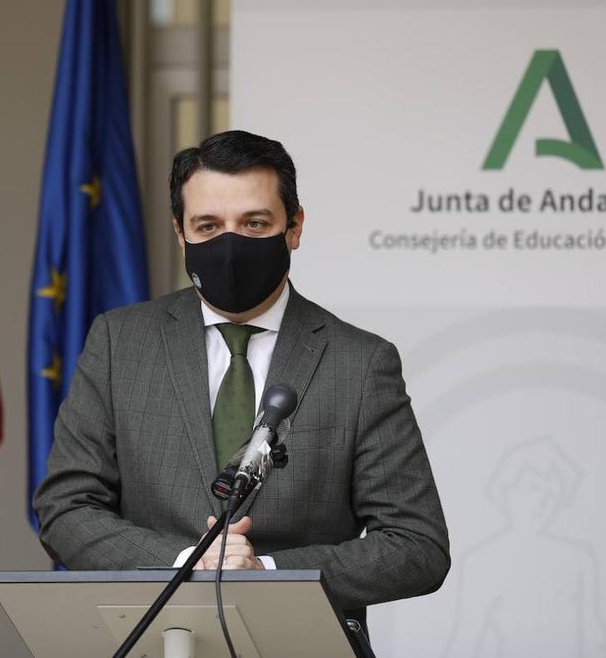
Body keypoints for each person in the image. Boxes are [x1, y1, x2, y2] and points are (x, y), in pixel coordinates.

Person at [33, 130, 449, 628]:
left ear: (294, 227)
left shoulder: (360, 362)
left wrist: (268, 573)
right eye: (207, 226)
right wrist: (187, 562)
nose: (229, 244)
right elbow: (65, 507)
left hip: (298, 657)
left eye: (254, 223)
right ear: (180, 233)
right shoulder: (119, 342)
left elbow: (416, 545)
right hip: (144, 650)